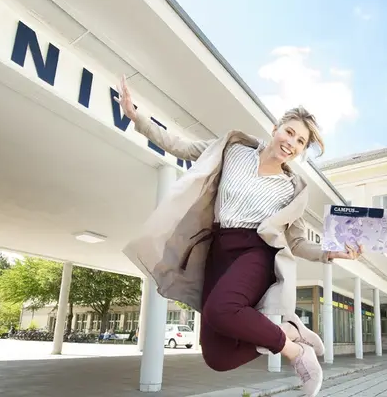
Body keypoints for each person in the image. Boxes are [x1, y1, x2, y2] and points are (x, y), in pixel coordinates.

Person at [116, 76, 363, 397]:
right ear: (276, 128)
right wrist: (137, 116)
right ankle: (290, 332)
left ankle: (296, 352)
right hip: (218, 252)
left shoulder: (291, 189)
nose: (291, 142)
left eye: (300, 142)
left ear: (300, 151)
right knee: (218, 356)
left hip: (255, 253)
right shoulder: (233, 149)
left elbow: (298, 242)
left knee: (222, 310)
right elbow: (182, 145)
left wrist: (332, 253)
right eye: (290, 132)